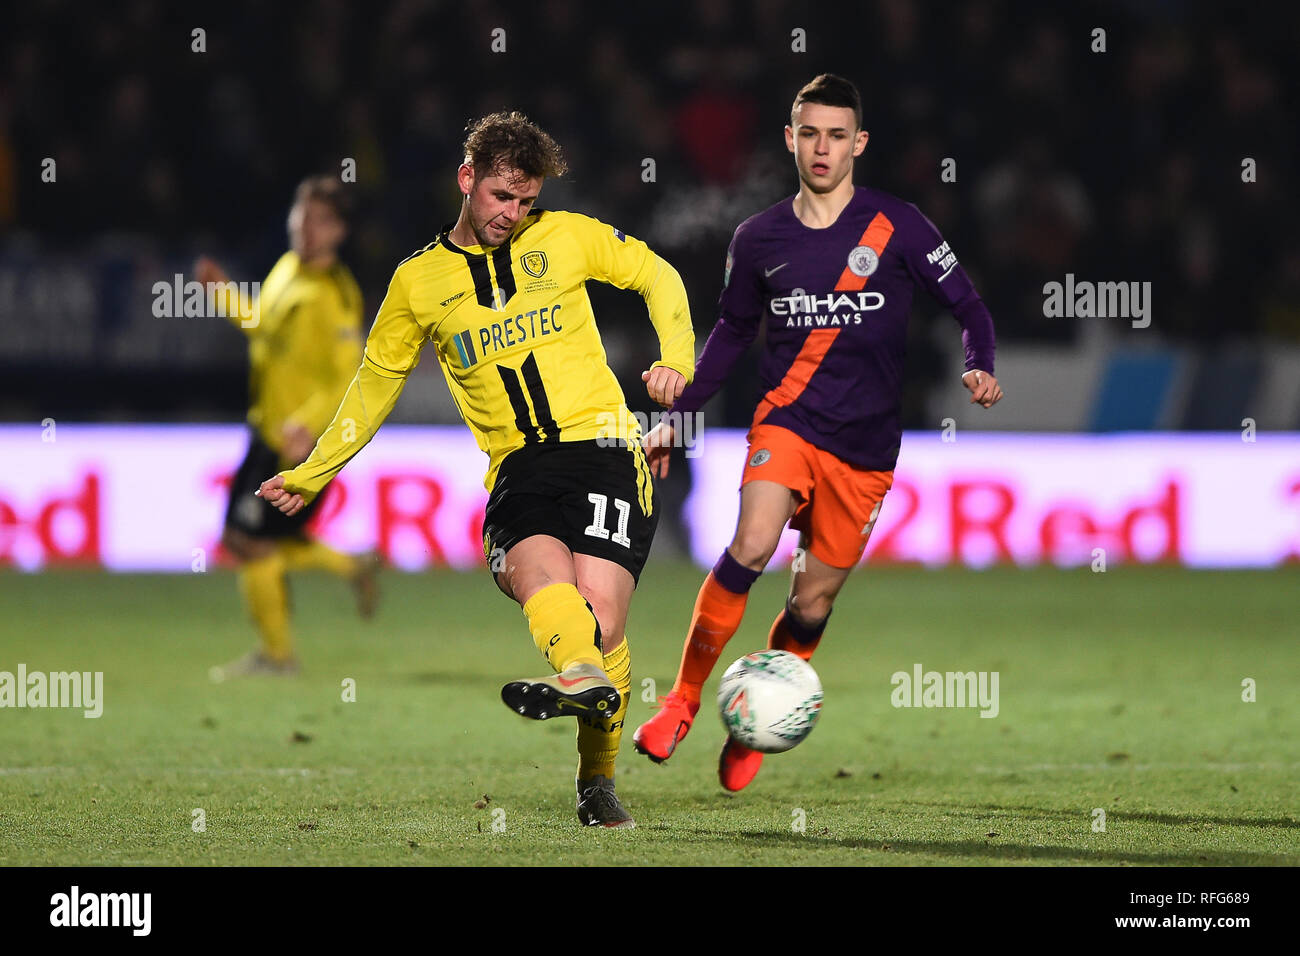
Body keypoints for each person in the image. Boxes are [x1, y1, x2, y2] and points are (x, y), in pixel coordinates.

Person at [257, 112, 695, 827]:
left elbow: (658, 276)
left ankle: (595, 778)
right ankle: (581, 684)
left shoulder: (567, 236)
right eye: (500, 197)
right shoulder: (418, 283)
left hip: (607, 449)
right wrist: (313, 471)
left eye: (525, 201)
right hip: (520, 467)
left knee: (604, 621)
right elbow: (374, 385)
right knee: (542, 584)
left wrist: (678, 359)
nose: (513, 215)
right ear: (467, 180)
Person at [633, 74, 1004, 791]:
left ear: (858, 143)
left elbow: (970, 306)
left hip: (865, 449)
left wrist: (979, 363)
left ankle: (752, 728)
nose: (823, 147)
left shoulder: (899, 225)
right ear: (790, 140)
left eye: (837, 135)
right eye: (810, 133)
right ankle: (680, 700)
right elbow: (733, 334)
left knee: (811, 602)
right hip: (788, 420)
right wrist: (676, 421)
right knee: (751, 544)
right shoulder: (759, 236)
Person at [198, 175, 380, 682]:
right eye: (302, 215)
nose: (307, 228)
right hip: (267, 431)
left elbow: (349, 373)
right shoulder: (287, 268)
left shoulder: (335, 296)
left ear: (340, 231)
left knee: (250, 541)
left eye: (322, 220)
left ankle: (278, 657)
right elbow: (262, 325)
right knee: (252, 538)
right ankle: (350, 569)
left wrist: (311, 425)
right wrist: (224, 295)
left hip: (293, 444)